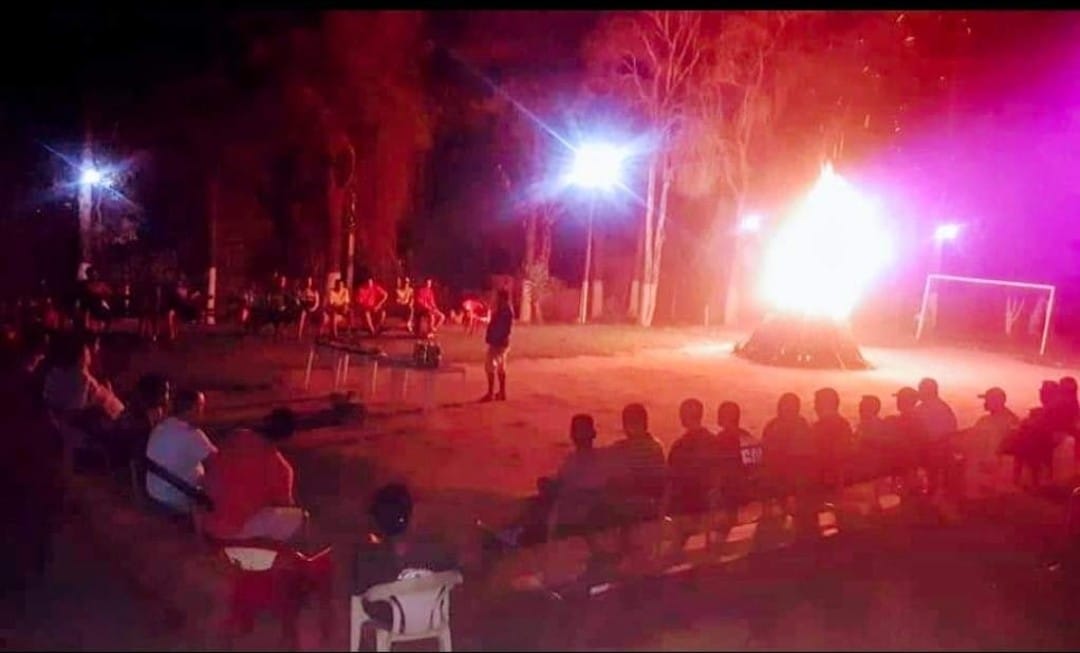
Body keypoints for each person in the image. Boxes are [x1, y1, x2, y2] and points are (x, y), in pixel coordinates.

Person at [354, 484, 457, 633]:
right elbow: (454, 573)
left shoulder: (369, 559)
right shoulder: (432, 550)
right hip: (431, 616)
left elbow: (357, 591)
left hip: (390, 619)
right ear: (410, 514)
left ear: (377, 521)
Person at [201, 408, 307, 543]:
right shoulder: (281, 468)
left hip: (207, 518)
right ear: (288, 436)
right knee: (301, 518)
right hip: (232, 529)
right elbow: (284, 504)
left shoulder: (237, 436)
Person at [145, 388, 217, 515]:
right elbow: (218, 463)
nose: (203, 413)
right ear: (193, 409)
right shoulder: (191, 435)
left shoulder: (161, 427)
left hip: (156, 491)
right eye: (201, 407)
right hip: (177, 497)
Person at [606, 403, 666, 525]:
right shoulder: (657, 447)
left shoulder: (620, 449)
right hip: (653, 509)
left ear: (626, 425)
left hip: (630, 511)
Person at [667, 399, 724, 519]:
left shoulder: (680, 446)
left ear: (683, 417)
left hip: (686, 507)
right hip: (709, 506)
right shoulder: (715, 441)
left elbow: (672, 480)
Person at [963, 387, 1019, 495]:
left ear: (996, 401)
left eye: (987, 400)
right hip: (987, 468)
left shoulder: (1007, 421)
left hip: (994, 470)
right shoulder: (987, 420)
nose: (985, 403)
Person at [761, 392, 812, 510]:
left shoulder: (801, 426)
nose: (788, 410)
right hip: (778, 471)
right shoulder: (773, 425)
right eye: (786, 407)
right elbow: (765, 447)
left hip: (793, 473)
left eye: (791, 408)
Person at [913, 377, 958, 497]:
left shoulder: (925, 409)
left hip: (934, 452)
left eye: (920, 389)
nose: (919, 392)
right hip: (940, 452)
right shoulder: (943, 408)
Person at [715, 401, 751, 516]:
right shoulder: (746, 436)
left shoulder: (721, 439)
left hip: (729, 491)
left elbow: (717, 467)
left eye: (720, 414)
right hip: (746, 490)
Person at [481, 289, 513, 402]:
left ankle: (491, 393)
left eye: (498, 297)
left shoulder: (505, 311)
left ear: (502, 298)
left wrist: (494, 338)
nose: (496, 299)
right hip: (501, 342)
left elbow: (503, 329)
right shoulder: (503, 310)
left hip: (498, 343)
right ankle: (502, 392)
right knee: (500, 367)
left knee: (490, 366)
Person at [295, 276, 321, 340]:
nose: (308, 283)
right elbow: (297, 299)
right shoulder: (301, 291)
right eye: (307, 281)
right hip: (303, 307)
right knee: (302, 314)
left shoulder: (314, 291)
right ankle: (299, 334)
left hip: (312, 308)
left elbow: (317, 302)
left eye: (309, 281)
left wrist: (313, 309)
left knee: (319, 316)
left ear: (311, 282)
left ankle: (315, 334)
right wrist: (299, 305)